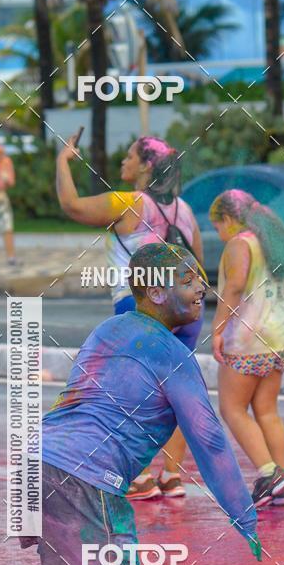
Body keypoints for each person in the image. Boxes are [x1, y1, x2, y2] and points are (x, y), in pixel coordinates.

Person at [23, 243, 262, 565]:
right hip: (90, 477)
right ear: (155, 290)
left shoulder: (111, 329)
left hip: (40, 459)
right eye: (189, 280)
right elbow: (209, 440)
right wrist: (244, 514)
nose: (202, 288)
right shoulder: (170, 355)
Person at [56, 133, 205, 500]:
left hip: (140, 309)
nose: (123, 162)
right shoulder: (184, 210)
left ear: (146, 166)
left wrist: (63, 160)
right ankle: (171, 475)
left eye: (129, 156)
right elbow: (197, 267)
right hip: (186, 312)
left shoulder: (131, 203)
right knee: (175, 391)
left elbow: (72, 206)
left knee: (127, 393)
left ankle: (138, 478)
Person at [209, 190, 284, 508]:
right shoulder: (276, 240)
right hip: (280, 336)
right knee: (267, 410)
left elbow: (234, 286)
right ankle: (282, 484)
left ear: (228, 219)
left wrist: (217, 330)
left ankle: (269, 474)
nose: (220, 235)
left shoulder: (240, 243)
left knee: (232, 409)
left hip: (248, 337)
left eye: (218, 227)